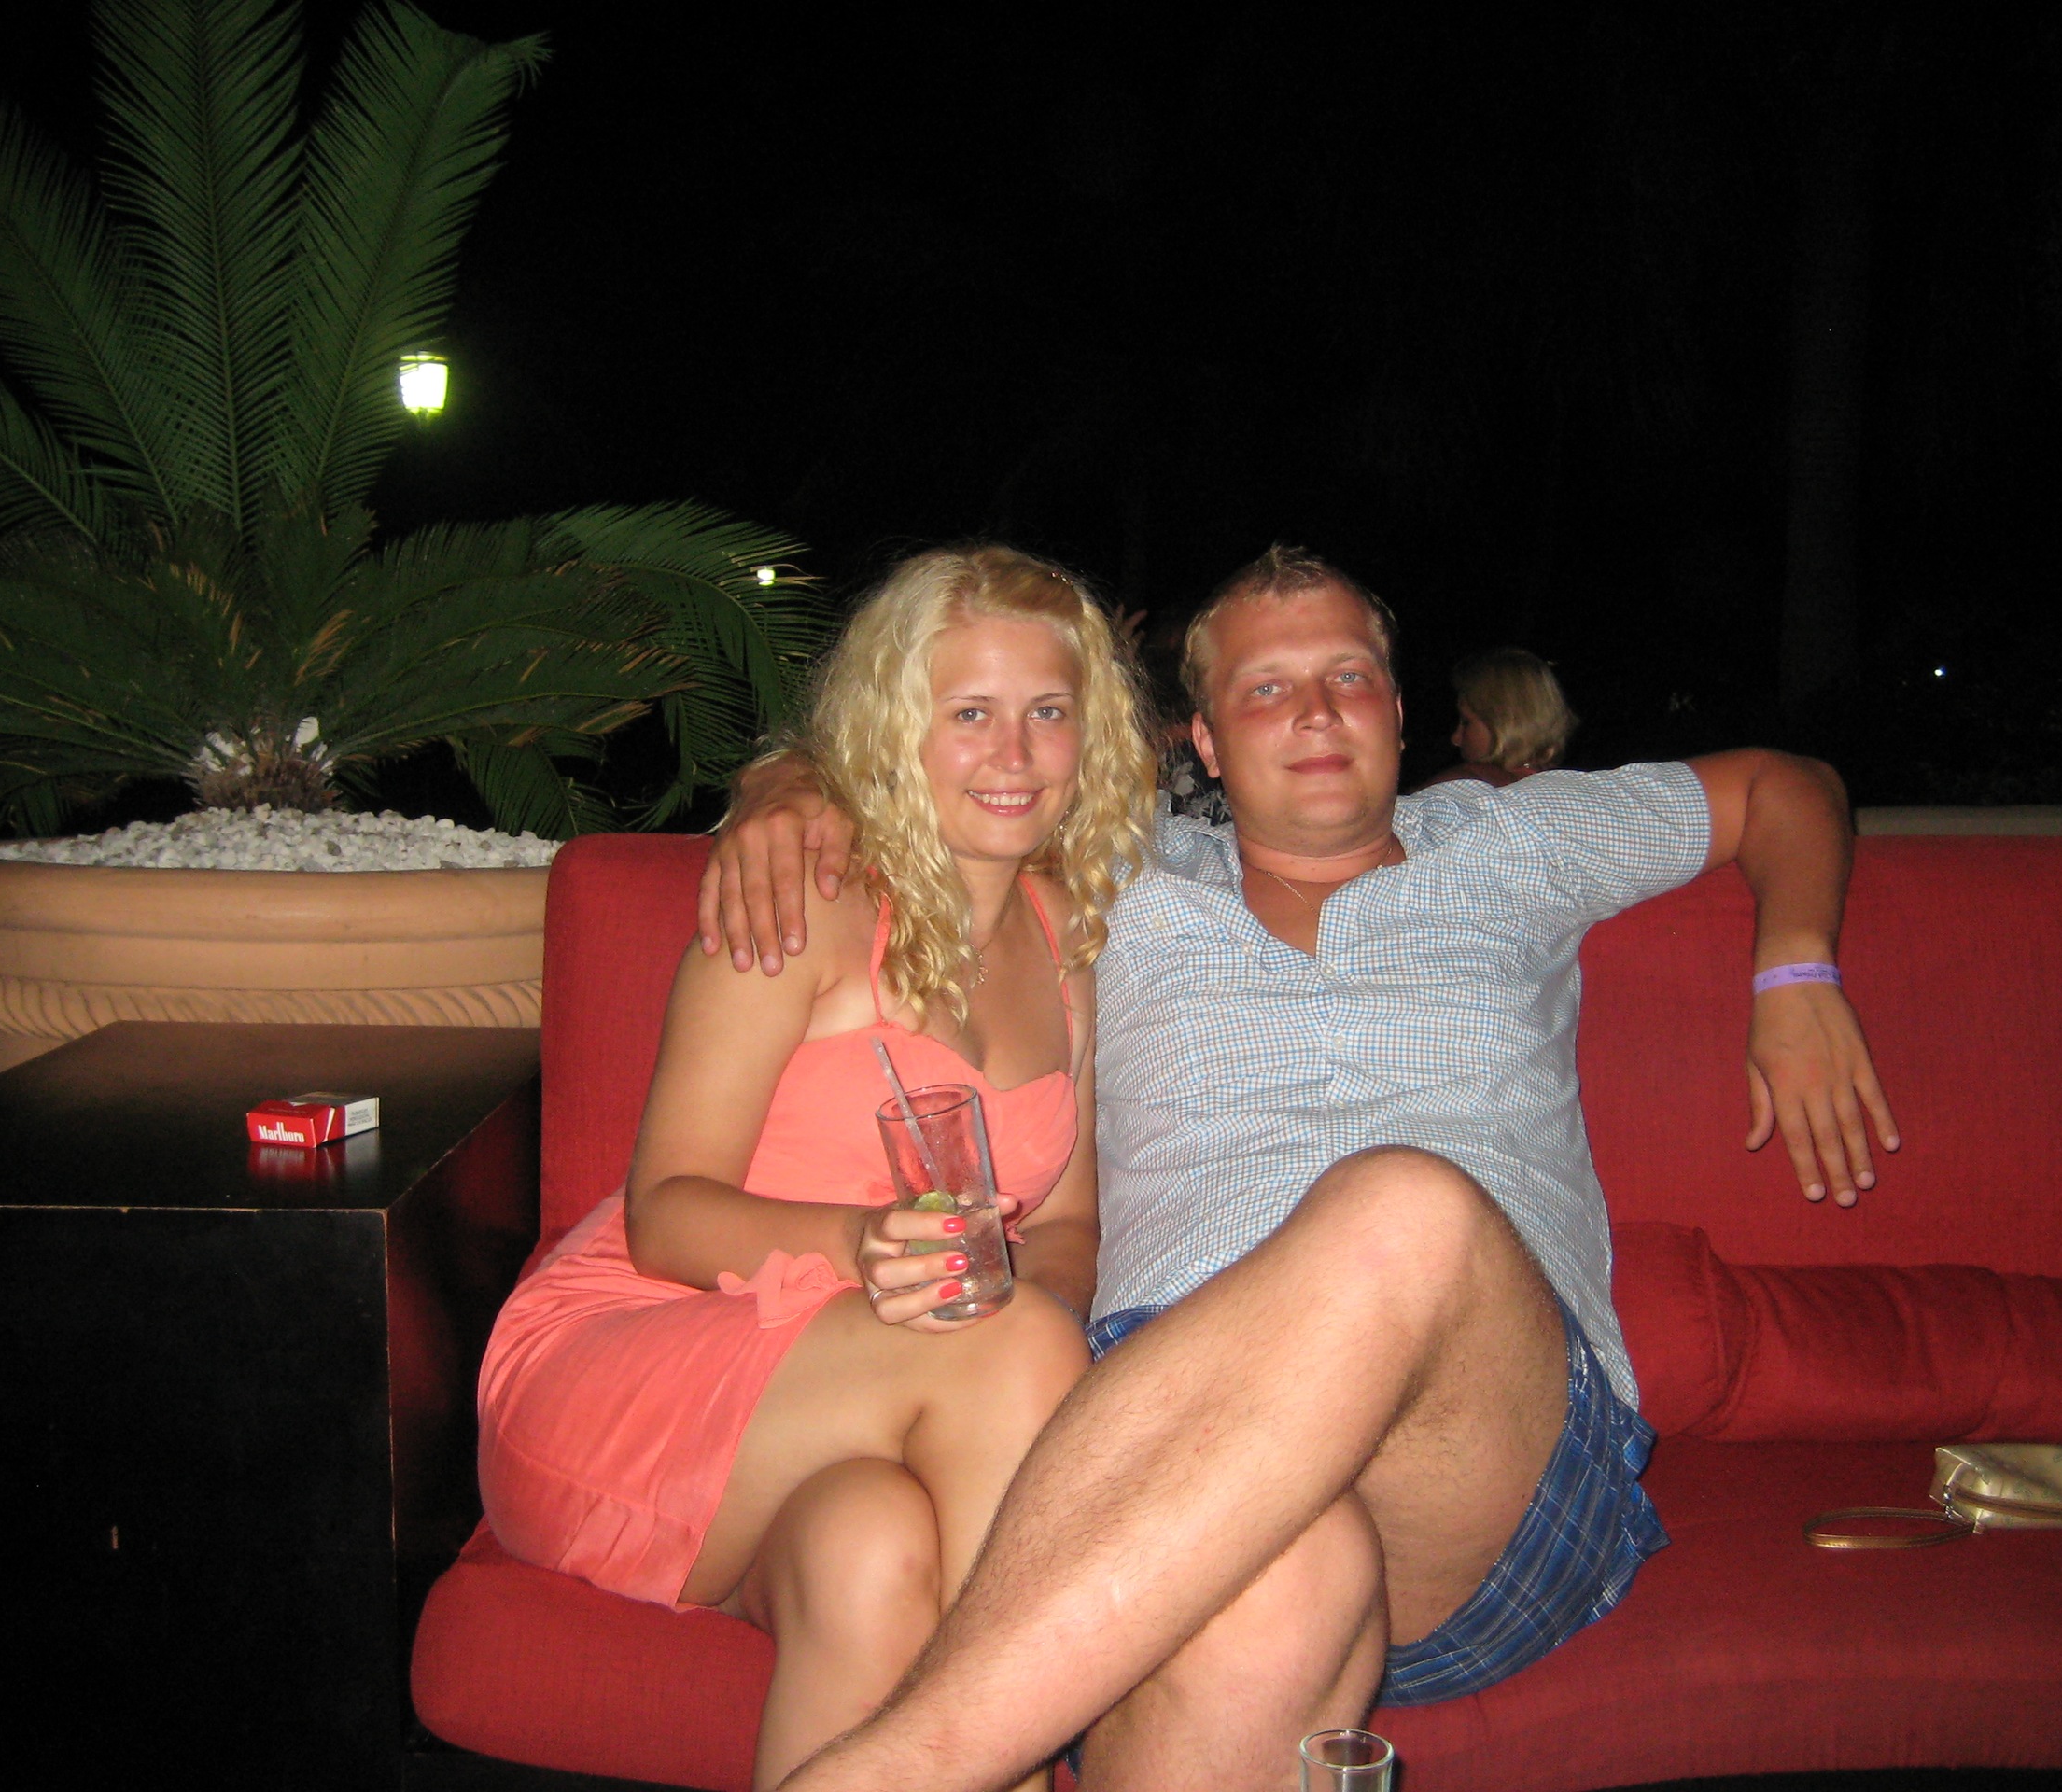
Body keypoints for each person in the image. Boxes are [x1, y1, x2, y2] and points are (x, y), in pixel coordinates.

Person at [699, 544, 1901, 1790]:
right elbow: (933, 756)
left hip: (1496, 1455)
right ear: (1204, 743)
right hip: (1168, 1443)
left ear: (1400, 708)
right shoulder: (1115, 876)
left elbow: (1787, 785)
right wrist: (788, 787)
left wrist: (1796, 971)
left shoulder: (1517, 840)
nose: (1318, 712)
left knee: (1403, 1210)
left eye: (1349, 676)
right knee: (1283, 1584)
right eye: (1267, 689)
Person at [475, 546, 1153, 1792]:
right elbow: (663, 1216)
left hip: (850, 1404)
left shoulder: (1070, 941)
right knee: (1006, 1346)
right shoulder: (805, 903)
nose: (1014, 753)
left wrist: (1018, 1346)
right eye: (969, 713)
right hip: (631, 1358)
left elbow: (1065, 1228)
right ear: (897, 729)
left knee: (869, 1549)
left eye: (1048, 712)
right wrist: (865, 1251)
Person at [1424, 646, 1578, 789]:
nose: (1456, 739)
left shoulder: (1464, 783)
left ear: (1504, 722)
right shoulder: (1570, 788)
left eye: (1466, 722)